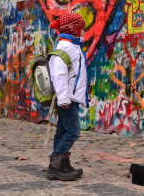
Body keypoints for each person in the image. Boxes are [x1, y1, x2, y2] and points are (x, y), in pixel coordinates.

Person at [46, 12, 88, 181]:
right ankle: (55, 165)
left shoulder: (71, 46)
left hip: (70, 97)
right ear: (74, 29)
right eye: (82, 28)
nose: (84, 31)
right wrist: (63, 98)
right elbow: (59, 74)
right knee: (73, 132)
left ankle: (63, 164)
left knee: (62, 131)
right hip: (67, 99)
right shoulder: (65, 47)